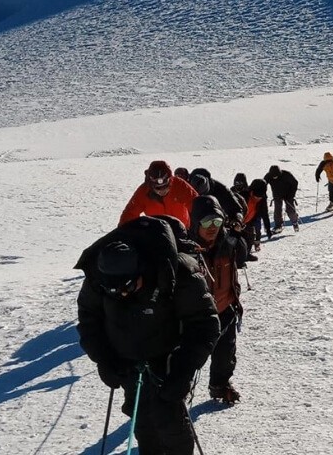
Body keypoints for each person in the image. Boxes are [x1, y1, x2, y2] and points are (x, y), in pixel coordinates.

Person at [75, 217, 219, 454]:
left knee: (171, 424)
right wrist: (104, 359)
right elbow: (89, 320)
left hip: (169, 362)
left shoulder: (178, 270)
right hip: (126, 363)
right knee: (142, 423)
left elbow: (204, 324)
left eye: (128, 287)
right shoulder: (98, 277)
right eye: (113, 291)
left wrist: (183, 371)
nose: (121, 294)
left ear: (142, 268)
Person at [188, 195, 251, 404]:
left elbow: (242, 256)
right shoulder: (186, 250)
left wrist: (237, 234)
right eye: (207, 222)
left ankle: (219, 386)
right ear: (196, 222)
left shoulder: (228, 242)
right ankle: (175, 396)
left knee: (225, 355)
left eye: (217, 221)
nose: (212, 227)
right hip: (196, 317)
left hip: (225, 308)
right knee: (188, 361)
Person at [118, 160, 197, 228]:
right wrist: (121, 234)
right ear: (151, 185)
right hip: (158, 234)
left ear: (170, 181)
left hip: (183, 230)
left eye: (165, 187)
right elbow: (130, 214)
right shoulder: (143, 191)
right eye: (158, 188)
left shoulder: (180, 185)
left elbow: (198, 205)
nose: (162, 191)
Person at [264, 165, 300, 231]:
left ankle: (295, 223)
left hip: (288, 194)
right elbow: (263, 184)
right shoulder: (268, 176)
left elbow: (295, 183)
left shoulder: (286, 174)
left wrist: (292, 194)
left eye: (276, 176)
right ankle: (278, 226)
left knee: (290, 210)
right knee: (277, 210)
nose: (274, 177)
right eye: (273, 176)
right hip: (277, 194)